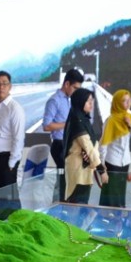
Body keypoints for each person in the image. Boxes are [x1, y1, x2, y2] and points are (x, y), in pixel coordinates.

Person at [0, 70, 26, 219]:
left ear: (10, 86)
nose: (0, 87)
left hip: (7, 160)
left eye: (4, 83)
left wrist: (12, 162)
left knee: (10, 200)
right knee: (0, 199)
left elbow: (19, 137)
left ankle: (17, 228)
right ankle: (3, 227)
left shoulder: (15, 108)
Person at [43, 69, 84, 201]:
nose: (77, 91)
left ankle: (62, 203)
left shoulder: (69, 100)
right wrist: (67, 124)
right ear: (66, 84)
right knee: (65, 178)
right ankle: (60, 204)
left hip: (70, 144)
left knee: (67, 178)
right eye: (75, 88)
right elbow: (46, 125)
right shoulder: (54, 101)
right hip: (59, 145)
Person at [98, 89, 131, 209]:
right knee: (111, 194)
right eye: (124, 100)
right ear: (117, 102)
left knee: (120, 193)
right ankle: (107, 219)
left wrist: (129, 125)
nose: (128, 103)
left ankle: (118, 218)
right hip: (112, 162)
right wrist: (102, 166)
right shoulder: (110, 120)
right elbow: (103, 144)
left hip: (125, 161)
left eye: (130, 100)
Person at [62, 87, 107, 204]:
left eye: (92, 100)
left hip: (85, 169)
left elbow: (93, 145)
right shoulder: (78, 120)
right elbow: (88, 147)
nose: (91, 104)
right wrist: (101, 170)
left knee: (82, 204)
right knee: (76, 204)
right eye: (88, 101)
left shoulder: (83, 118)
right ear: (80, 101)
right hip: (78, 170)